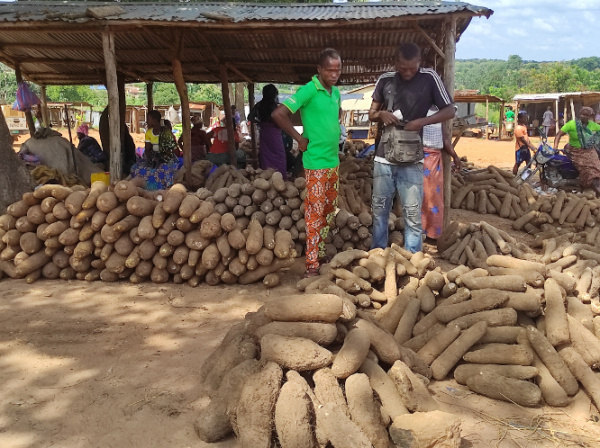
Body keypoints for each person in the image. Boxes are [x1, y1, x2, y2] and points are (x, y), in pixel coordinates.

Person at [367, 43, 454, 253]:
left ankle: (414, 256)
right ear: (395, 62)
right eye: (402, 68)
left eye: (412, 68)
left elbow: (450, 110)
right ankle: (377, 253)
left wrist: (421, 122)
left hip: (412, 159)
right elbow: (371, 113)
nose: (407, 72)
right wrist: (380, 115)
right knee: (379, 211)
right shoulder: (386, 79)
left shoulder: (429, 78)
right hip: (383, 158)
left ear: (419, 63)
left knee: (413, 213)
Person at [272, 48, 342, 277]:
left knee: (328, 212)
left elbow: (335, 116)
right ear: (319, 69)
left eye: (337, 69)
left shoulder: (336, 93)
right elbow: (279, 114)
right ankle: (311, 265)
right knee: (315, 213)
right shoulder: (309, 90)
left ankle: (319, 254)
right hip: (316, 164)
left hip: (333, 163)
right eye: (329, 70)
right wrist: (299, 138)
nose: (334, 74)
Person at [421, 106, 461, 240]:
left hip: (431, 159)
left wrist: (455, 156)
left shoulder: (440, 115)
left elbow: (445, 140)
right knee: (427, 197)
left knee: (432, 197)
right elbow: (445, 140)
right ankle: (424, 231)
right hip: (421, 158)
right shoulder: (418, 110)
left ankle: (430, 232)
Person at [554, 106, 600, 195]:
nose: (584, 117)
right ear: (580, 114)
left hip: (589, 151)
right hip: (575, 152)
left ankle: (594, 186)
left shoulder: (593, 125)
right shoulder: (572, 124)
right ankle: (592, 185)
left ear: (590, 116)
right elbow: (559, 134)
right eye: (583, 114)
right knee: (587, 170)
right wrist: (555, 148)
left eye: (587, 115)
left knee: (597, 167)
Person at [130, 110, 179, 190]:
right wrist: (149, 160)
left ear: (154, 120)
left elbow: (172, 150)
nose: (147, 121)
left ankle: (164, 188)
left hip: (167, 157)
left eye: (148, 119)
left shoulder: (166, 133)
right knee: (135, 168)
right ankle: (141, 187)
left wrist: (160, 158)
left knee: (164, 169)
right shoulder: (149, 133)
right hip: (153, 157)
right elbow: (148, 150)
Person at [248, 84, 287, 177]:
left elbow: (250, 117)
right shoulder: (275, 106)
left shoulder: (259, 105)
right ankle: (280, 176)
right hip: (274, 133)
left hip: (264, 131)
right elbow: (279, 119)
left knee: (265, 154)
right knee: (279, 154)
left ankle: (266, 175)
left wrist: (259, 122)